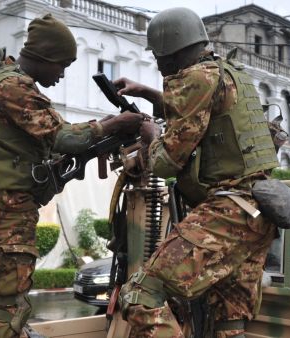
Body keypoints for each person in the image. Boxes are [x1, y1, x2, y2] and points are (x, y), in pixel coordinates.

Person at [0, 14, 143, 338]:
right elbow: (64, 137)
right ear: (45, 56)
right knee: (12, 300)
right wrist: (115, 125)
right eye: (61, 65)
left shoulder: (11, 80)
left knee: (15, 296)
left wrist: (99, 128)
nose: (62, 74)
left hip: (9, 202)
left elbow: (51, 137)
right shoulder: (14, 87)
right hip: (6, 205)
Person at [115, 7, 280, 338]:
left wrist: (150, 139)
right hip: (258, 211)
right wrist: (148, 93)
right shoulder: (231, 74)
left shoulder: (193, 78)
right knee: (229, 319)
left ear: (170, 50)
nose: (158, 64)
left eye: (158, 57)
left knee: (140, 295)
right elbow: (202, 111)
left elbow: (164, 163)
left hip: (228, 211)